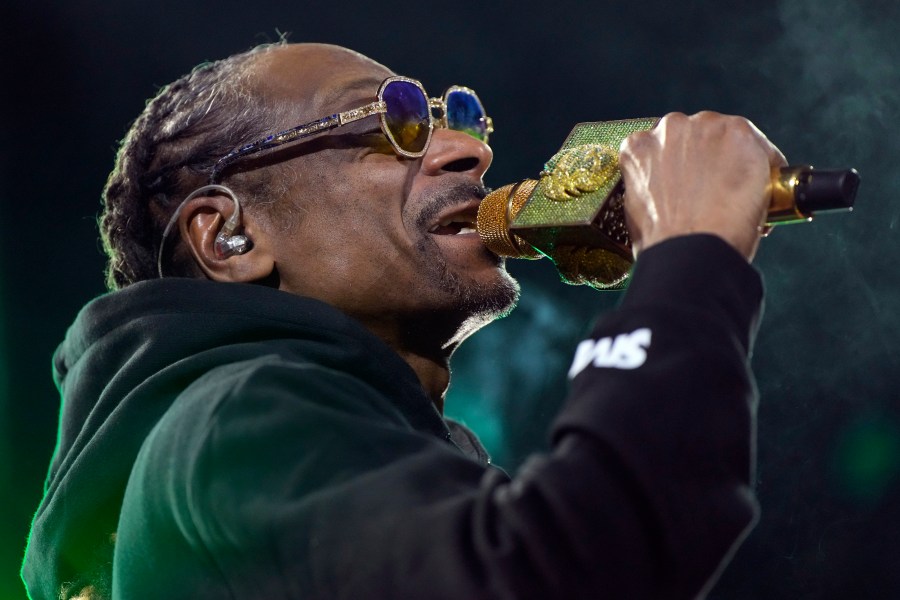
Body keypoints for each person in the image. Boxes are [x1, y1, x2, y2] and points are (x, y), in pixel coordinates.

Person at [22, 42, 784, 599]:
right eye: (397, 123)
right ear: (230, 237)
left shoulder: (314, 445)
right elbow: (571, 567)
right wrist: (689, 263)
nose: (469, 151)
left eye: (456, 118)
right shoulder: (237, 417)